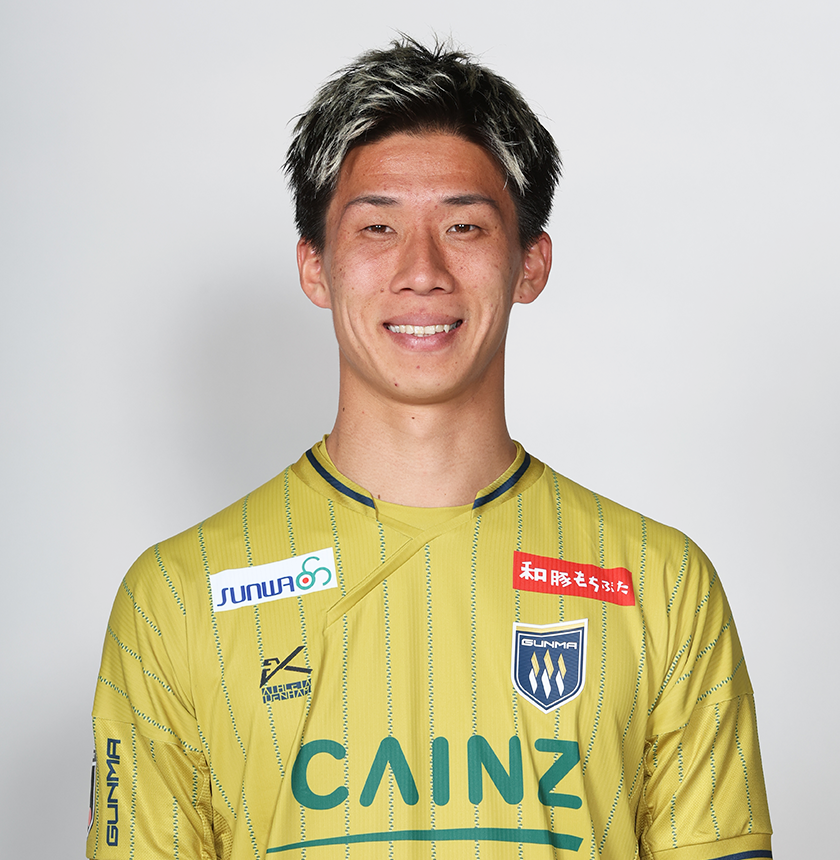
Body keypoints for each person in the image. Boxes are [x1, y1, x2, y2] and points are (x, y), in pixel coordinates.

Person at [87, 38, 772, 860]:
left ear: (530, 264)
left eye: (464, 226)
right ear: (316, 267)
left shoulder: (662, 585)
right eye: (378, 227)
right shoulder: (174, 600)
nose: (422, 270)